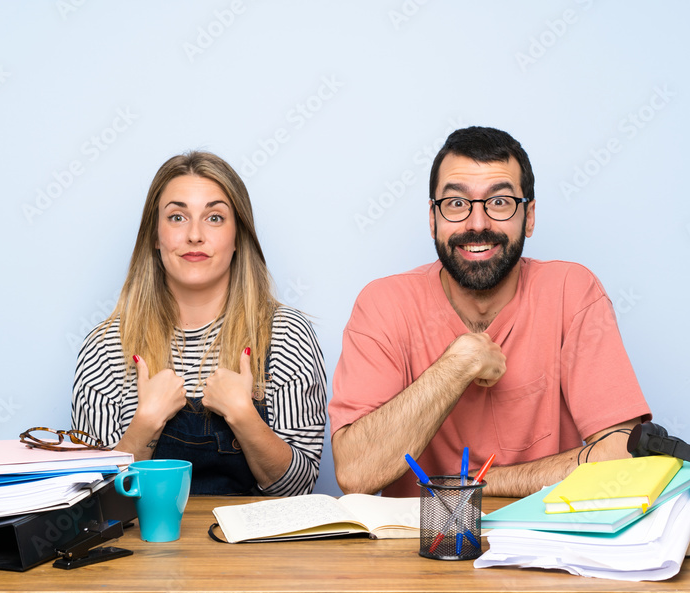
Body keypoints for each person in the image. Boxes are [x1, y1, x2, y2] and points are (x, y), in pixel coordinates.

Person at [328, 126, 651, 498]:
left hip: (542, 545)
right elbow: (355, 473)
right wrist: (457, 365)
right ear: (432, 220)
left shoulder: (572, 292)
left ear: (528, 217)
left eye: (499, 203)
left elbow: (622, 458)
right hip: (417, 548)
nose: (477, 224)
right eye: (456, 204)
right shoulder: (383, 304)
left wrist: (474, 486)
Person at [72, 151, 326, 496]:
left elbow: (298, 490)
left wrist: (244, 416)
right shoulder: (106, 346)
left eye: (215, 218)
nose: (194, 235)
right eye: (177, 217)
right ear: (154, 236)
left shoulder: (285, 334)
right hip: (145, 549)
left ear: (239, 237)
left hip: (253, 550)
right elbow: (90, 502)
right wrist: (146, 423)